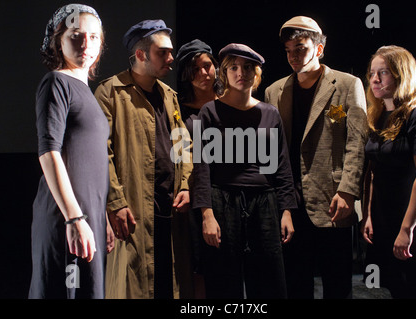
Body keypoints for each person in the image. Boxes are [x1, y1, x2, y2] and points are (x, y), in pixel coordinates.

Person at [265, 16, 368, 299]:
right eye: (288, 50)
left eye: (300, 48)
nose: (293, 56)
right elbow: (274, 151)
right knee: (295, 284)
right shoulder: (275, 91)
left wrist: (348, 189)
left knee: (337, 284)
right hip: (291, 203)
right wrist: (280, 200)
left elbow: (356, 142)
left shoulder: (347, 85)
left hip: (333, 199)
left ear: (319, 49)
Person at [94, 19, 194, 299]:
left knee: (168, 284)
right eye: (163, 52)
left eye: (170, 51)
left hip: (169, 210)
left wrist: (185, 184)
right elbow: (101, 153)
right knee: (134, 287)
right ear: (141, 55)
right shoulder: (111, 92)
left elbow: (184, 145)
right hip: (134, 210)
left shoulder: (169, 95)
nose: (171, 58)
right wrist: (115, 202)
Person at [193, 43, 297, 299]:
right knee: (223, 282)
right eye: (234, 67)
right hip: (222, 201)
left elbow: (281, 165)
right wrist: (207, 214)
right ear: (225, 73)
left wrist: (286, 211)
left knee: (268, 282)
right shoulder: (210, 111)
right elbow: (201, 166)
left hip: (264, 202)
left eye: (248, 67)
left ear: (257, 73)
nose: (241, 72)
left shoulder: (269, 113)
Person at [29, 4, 112, 299]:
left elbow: (88, 160)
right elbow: (48, 152)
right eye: (76, 35)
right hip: (66, 219)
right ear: (58, 39)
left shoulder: (85, 91)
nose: (86, 44)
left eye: (93, 37)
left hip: (88, 220)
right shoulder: (56, 82)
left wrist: (100, 219)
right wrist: (75, 219)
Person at [361, 45, 416, 299]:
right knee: (398, 287)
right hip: (388, 216)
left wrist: (407, 229)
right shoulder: (378, 117)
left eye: (384, 73)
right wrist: (368, 215)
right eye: (372, 73)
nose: (375, 80)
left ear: (401, 75)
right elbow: (372, 170)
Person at [176, 39, 223, 298]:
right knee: (200, 265)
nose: (204, 73)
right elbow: (178, 153)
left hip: (230, 189)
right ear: (185, 74)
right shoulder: (179, 110)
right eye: (195, 69)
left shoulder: (230, 101)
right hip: (196, 195)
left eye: (207, 66)